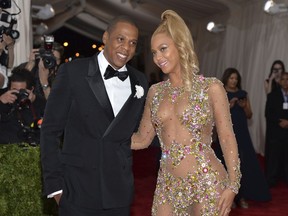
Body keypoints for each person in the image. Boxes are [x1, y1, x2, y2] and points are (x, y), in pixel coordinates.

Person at [131, 10, 241, 216]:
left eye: (163, 49)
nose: (158, 58)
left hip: (207, 183)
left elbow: (227, 137)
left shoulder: (212, 88)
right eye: (154, 52)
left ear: (181, 45)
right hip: (168, 186)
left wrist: (233, 184)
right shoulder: (155, 92)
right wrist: (104, 135)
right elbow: (142, 139)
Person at [40, 15, 148, 216]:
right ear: (106, 37)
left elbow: (140, 131)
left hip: (119, 191)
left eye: (132, 43)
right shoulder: (73, 72)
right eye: (120, 39)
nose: (126, 48)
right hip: (77, 189)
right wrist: (55, 186)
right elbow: (50, 130)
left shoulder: (139, 81)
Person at [216, 68, 271, 208]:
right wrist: (228, 106)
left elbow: (249, 115)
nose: (234, 81)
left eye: (236, 78)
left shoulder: (243, 94)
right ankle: (230, 198)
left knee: (243, 165)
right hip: (226, 134)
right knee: (226, 164)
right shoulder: (220, 93)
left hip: (242, 134)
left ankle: (242, 197)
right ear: (226, 78)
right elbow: (216, 116)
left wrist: (244, 106)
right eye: (231, 78)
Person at [0, 66, 46, 145]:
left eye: (21, 91)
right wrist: (1, 101)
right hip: (6, 149)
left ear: (31, 89)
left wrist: (33, 101)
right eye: (14, 90)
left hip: (30, 151)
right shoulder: (4, 99)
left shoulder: (39, 104)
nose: (17, 94)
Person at [265, 71, 288, 187]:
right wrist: (280, 122)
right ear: (279, 81)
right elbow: (268, 114)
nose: (285, 82)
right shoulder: (272, 95)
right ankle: (271, 180)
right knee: (274, 157)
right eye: (283, 79)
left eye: (287, 79)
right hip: (276, 131)